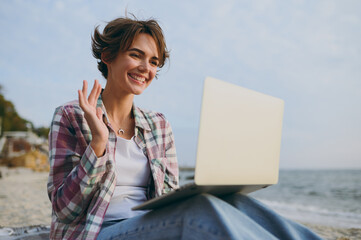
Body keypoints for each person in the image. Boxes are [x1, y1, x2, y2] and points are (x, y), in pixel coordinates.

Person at [47, 16, 322, 240]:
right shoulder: (71, 115)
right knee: (197, 211)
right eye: (136, 55)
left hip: (151, 225)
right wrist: (98, 144)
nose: (146, 68)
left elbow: (166, 195)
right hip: (97, 232)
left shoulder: (158, 124)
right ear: (108, 55)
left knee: (237, 204)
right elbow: (64, 210)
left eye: (154, 61)